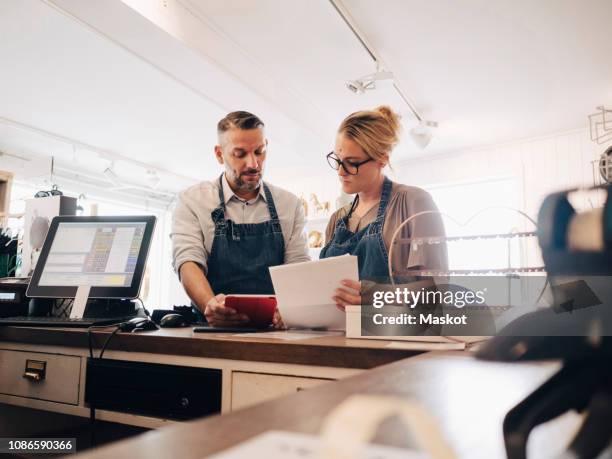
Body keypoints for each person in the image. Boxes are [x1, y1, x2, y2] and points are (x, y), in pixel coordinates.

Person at [171, 111, 310, 326]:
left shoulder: (290, 204)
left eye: (259, 152)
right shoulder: (192, 200)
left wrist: (290, 308)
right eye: (240, 154)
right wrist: (210, 305)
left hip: (275, 330)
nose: (253, 163)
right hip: (212, 329)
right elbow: (188, 261)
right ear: (219, 154)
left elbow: (298, 265)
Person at [320, 106, 448, 309]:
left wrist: (375, 294)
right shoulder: (337, 219)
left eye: (352, 163)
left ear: (383, 158)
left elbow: (434, 290)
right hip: (339, 337)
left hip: (397, 336)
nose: (340, 172)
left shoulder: (413, 203)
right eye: (337, 160)